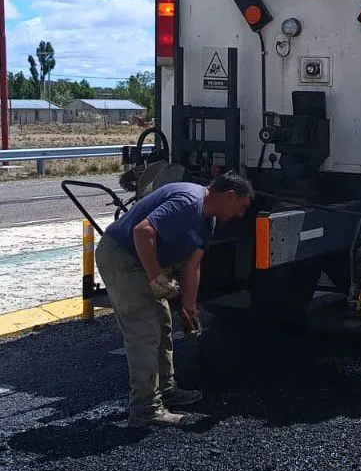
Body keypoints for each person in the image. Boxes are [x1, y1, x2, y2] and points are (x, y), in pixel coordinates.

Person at [96, 172, 254, 427]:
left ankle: (166, 389)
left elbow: (193, 265)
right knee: (144, 332)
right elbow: (142, 231)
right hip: (122, 257)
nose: (240, 215)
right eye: (241, 207)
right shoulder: (189, 202)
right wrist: (156, 278)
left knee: (163, 323)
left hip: (144, 262)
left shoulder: (208, 220)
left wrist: (189, 308)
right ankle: (145, 409)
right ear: (230, 196)